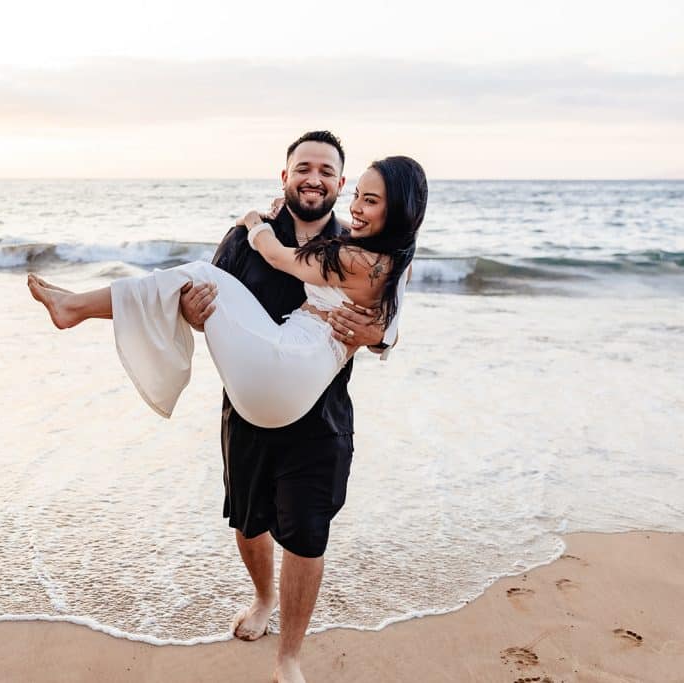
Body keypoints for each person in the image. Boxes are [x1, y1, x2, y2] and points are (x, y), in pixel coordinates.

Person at [27, 132, 427, 682]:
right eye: (304, 167)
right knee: (248, 518)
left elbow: (387, 328)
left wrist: (375, 333)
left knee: (307, 536)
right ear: (284, 176)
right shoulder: (371, 252)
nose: (322, 183)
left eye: (334, 175)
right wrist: (193, 310)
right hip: (252, 395)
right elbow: (203, 312)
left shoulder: (342, 243)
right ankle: (263, 599)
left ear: (338, 180)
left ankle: (288, 657)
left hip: (317, 410)